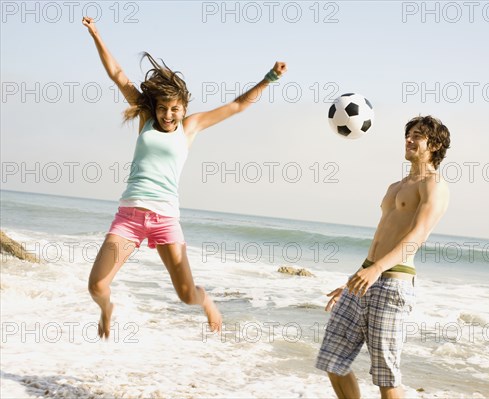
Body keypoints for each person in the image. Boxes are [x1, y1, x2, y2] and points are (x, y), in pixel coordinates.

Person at [82, 16, 287, 339]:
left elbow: (236, 106)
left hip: (165, 218)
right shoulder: (146, 118)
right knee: (96, 285)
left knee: (186, 293)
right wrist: (96, 34)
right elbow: (117, 75)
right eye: (163, 108)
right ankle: (108, 309)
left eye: (174, 108)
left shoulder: (191, 127)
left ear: (184, 107)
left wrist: (268, 79)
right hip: (129, 217)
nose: (167, 114)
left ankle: (207, 302)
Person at [316, 115, 451, 398]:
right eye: (408, 135)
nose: (409, 140)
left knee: (385, 376)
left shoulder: (434, 185)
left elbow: (418, 235)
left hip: (392, 285)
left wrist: (376, 270)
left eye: (417, 136)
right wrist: (358, 279)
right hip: (366, 278)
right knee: (333, 360)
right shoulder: (396, 186)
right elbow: (383, 237)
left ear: (435, 145)